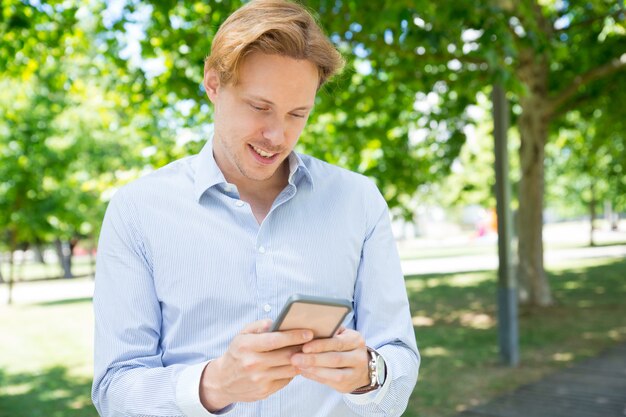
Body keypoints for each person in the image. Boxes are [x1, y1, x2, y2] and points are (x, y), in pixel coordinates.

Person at [91, 1, 419, 416]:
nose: (277, 135)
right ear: (213, 83)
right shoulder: (137, 210)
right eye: (259, 107)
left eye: (297, 114)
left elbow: (400, 363)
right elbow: (114, 389)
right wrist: (215, 384)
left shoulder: (359, 201)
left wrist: (369, 373)